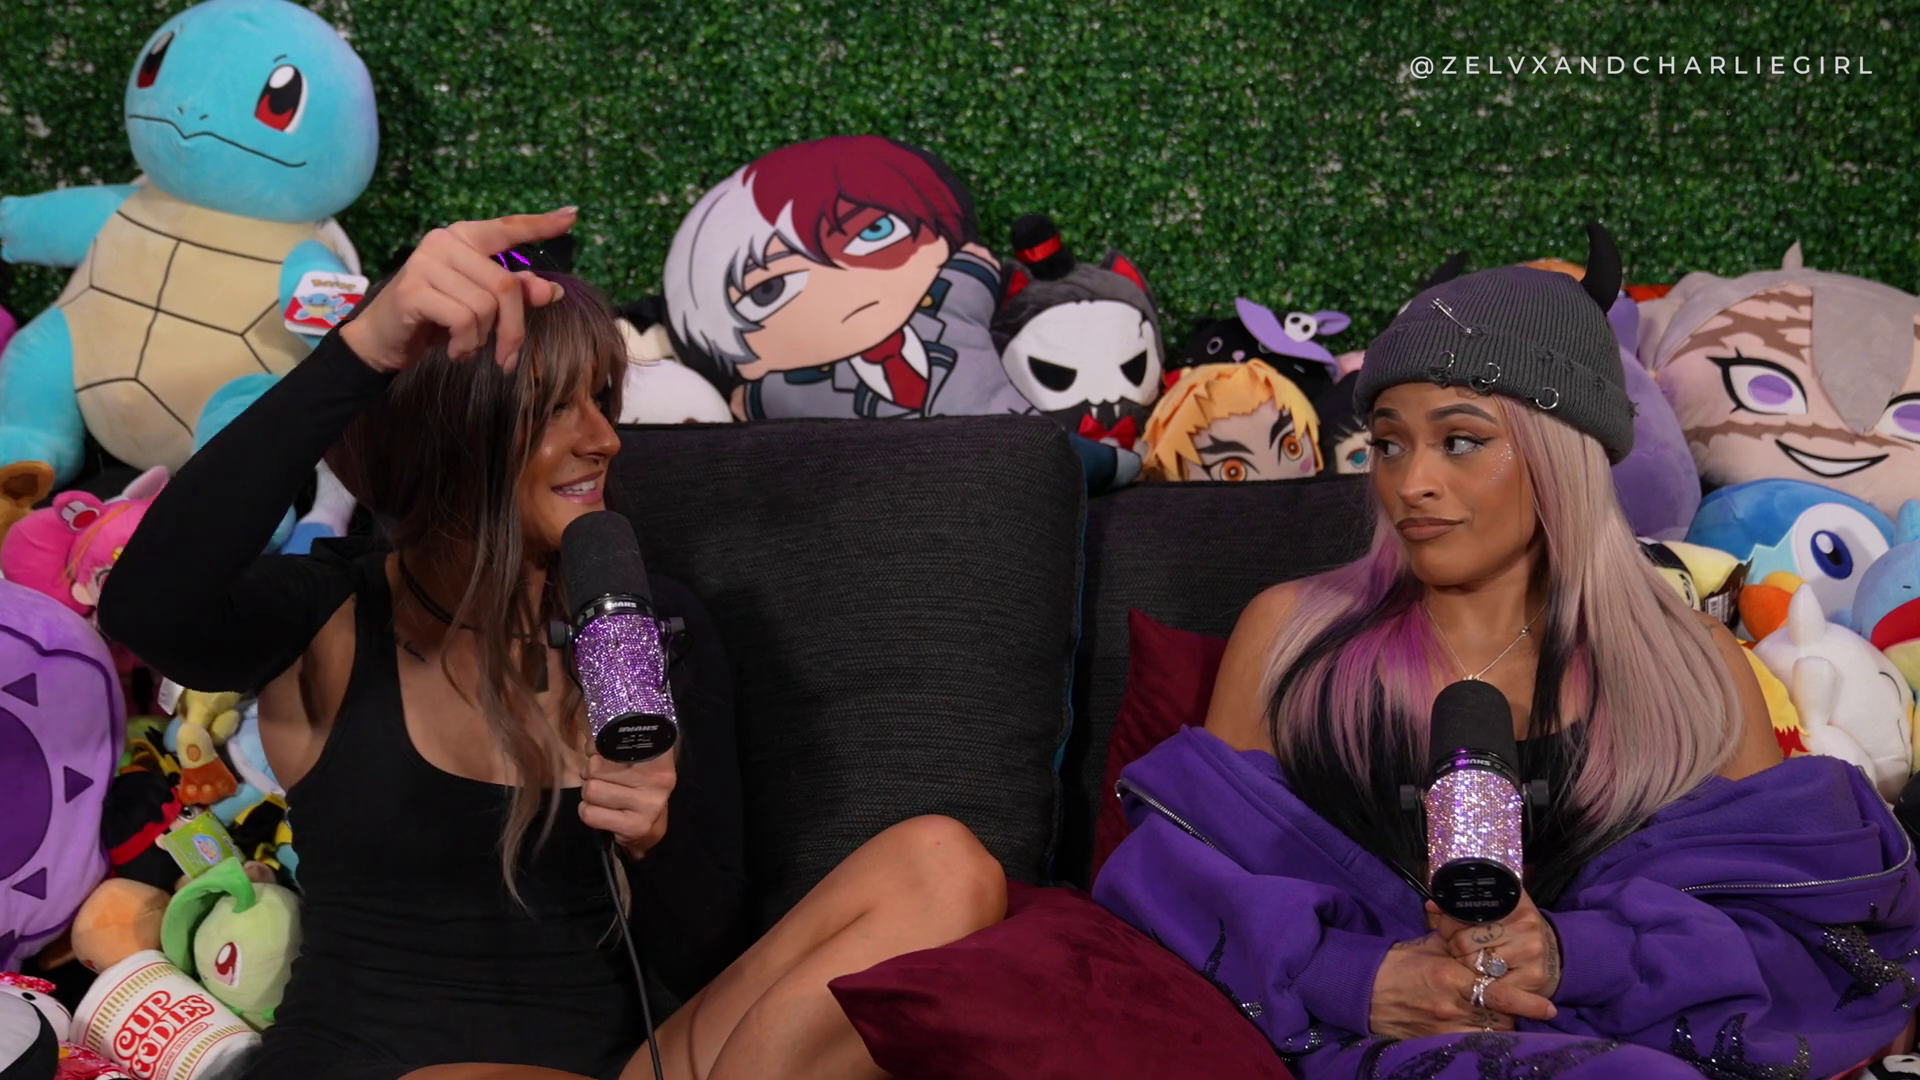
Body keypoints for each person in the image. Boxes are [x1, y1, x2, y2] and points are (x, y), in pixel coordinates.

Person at [98, 209, 1007, 1080]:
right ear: (457, 432)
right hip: (377, 1066)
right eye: (553, 408)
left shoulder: (648, 627)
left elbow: (707, 954)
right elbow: (147, 609)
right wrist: (364, 349)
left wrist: (657, 839)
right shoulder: (331, 615)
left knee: (941, 866)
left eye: (600, 400)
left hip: (626, 1066)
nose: (604, 439)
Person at [1093, 229, 1920, 1079]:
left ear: (1563, 455)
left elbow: (1783, 931)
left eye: (1460, 440)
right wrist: (1358, 977)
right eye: (1389, 443)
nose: (1411, 482)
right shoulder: (1293, 633)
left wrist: (1572, 955)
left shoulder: (1694, 664)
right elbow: (1191, 886)